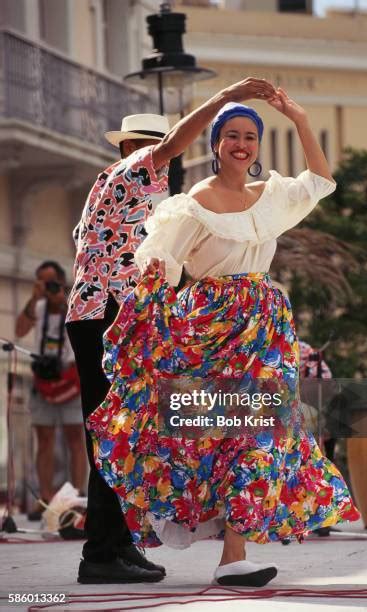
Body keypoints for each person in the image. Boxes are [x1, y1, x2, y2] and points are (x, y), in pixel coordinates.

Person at [87, 87, 360, 588]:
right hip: (213, 327)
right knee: (222, 433)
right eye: (232, 135)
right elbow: (159, 269)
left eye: (251, 137)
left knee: (264, 432)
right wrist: (145, 333)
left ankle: (235, 555)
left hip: (267, 326)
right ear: (215, 144)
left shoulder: (270, 196)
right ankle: (224, 549)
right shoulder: (191, 204)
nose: (242, 144)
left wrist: (298, 118)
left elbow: (321, 180)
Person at [65, 77, 277, 585]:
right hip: (108, 319)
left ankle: (117, 543)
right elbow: (175, 142)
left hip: (109, 317)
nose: (172, 161)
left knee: (126, 431)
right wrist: (226, 99)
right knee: (115, 433)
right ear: (138, 148)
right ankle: (102, 552)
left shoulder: (128, 196)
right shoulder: (129, 173)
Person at [15, 261, 87, 521]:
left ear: (63, 281)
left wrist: (64, 302)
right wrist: (33, 299)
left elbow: (82, 331)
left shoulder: (74, 304)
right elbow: (20, 330)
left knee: (75, 440)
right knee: (44, 440)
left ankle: (76, 499)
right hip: (43, 379)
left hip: (70, 377)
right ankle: (45, 497)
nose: (48, 288)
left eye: (52, 282)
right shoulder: (38, 307)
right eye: (43, 283)